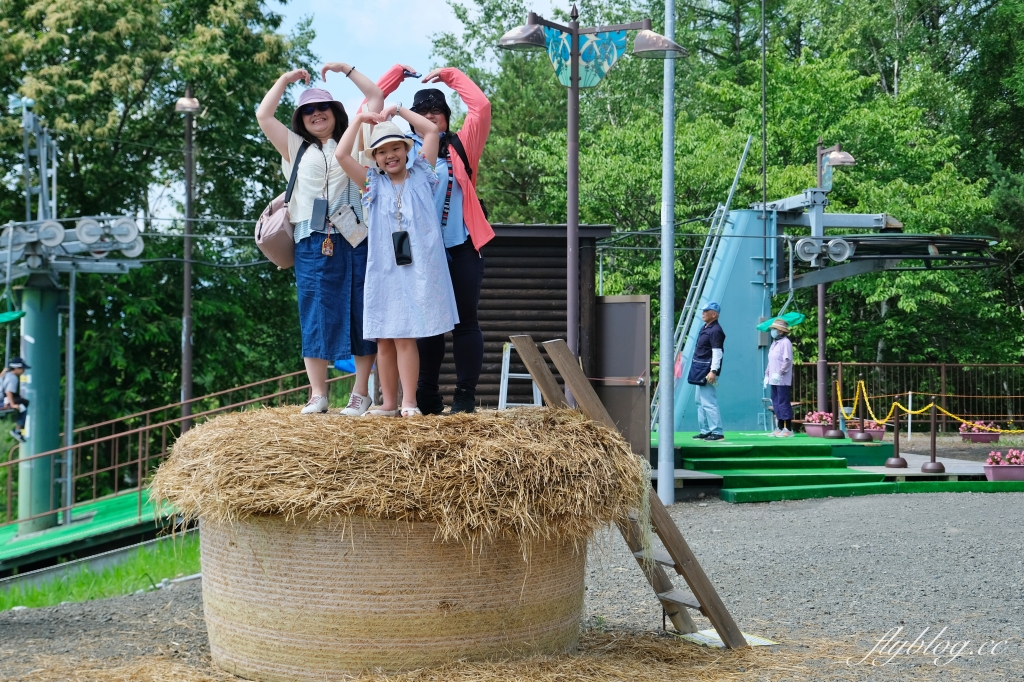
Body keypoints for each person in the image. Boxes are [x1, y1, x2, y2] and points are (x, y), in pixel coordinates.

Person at [256, 64, 383, 416]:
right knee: (313, 313)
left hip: (355, 236)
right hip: (311, 239)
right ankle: (318, 394)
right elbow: (264, 114)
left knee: (360, 311)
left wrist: (347, 70)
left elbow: (374, 97)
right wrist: (284, 80)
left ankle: (360, 393)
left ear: (336, 112)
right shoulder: (295, 146)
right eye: (308, 110)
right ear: (300, 118)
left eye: (322, 108)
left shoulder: (353, 138)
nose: (316, 114)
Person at [374, 65, 494, 414]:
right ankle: (426, 394)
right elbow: (369, 111)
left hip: (460, 244)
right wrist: (394, 76)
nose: (430, 116)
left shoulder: (462, 145)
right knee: (425, 324)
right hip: (422, 252)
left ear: (446, 116)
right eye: (423, 113)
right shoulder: (402, 152)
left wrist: (451, 75)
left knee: (466, 320)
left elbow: (481, 108)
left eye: (436, 111)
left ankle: (464, 395)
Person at [334, 104, 459, 417]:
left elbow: (431, 131)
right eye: (381, 151)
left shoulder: (422, 173)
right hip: (386, 269)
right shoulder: (371, 184)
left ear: (406, 149)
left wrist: (401, 110)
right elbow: (341, 155)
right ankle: (388, 403)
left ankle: (409, 402)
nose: (390, 155)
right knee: (385, 337)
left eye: (396, 148)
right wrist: (361, 119)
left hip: (417, 268)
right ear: (374, 158)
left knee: (405, 335)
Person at [687, 302, 726, 441]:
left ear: (714, 314)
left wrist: (713, 371)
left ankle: (717, 431)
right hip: (700, 368)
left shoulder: (715, 330)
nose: (703, 313)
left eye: (706, 311)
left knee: (709, 401)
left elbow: (717, 352)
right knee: (699, 401)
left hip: (707, 370)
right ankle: (706, 430)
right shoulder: (706, 327)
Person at [764, 318, 795, 437]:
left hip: (782, 380)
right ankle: (780, 427)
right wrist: (767, 374)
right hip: (773, 379)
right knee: (776, 402)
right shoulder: (774, 343)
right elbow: (770, 361)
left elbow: (787, 361)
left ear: (781, 331)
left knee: (783, 402)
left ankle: (788, 429)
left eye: (774, 329)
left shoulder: (785, 342)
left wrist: (780, 373)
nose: (772, 331)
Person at [2, 357, 29, 443]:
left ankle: (18, 430)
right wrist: (13, 404)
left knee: (21, 401)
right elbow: (8, 391)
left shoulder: (5, 374)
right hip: (3, 400)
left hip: (2, 399)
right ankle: (17, 430)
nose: (24, 370)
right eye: (22, 368)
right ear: (16, 368)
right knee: (23, 405)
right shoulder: (13, 377)